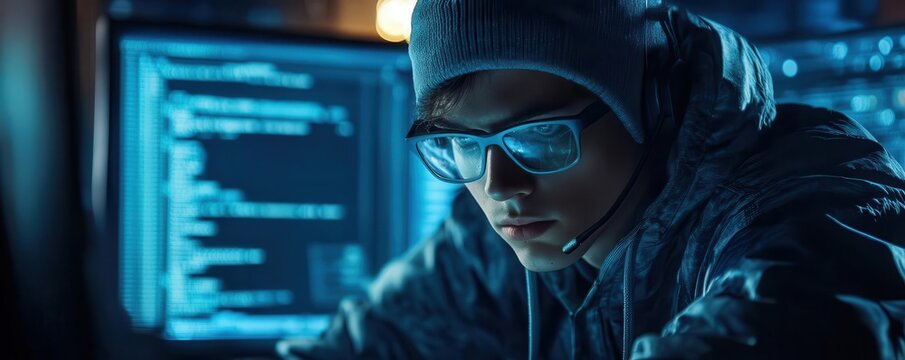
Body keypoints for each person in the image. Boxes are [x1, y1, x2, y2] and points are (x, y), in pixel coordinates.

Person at [279, 1, 905, 358]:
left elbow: (794, 322)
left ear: (653, 102)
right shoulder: (502, 233)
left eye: (540, 136)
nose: (500, 186)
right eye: (463, 143)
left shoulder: (810, 205)